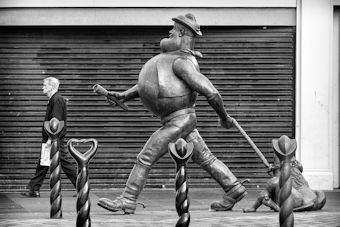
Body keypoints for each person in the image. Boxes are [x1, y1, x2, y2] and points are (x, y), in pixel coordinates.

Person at [97, 13, 247, 214]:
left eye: (174, 29)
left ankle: (127, 199)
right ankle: (233, 188)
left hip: (180, 119)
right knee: (205, 158)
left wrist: (224, 117)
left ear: (182, 32)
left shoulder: (182, 62)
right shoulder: (172, 59)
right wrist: (124, 96)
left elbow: (211, 92)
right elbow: (150, 83)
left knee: (145, 157)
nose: (169, 32)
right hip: (177, 119)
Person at [21, 77, 77, 197]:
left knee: (64, 163)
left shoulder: (56, 99)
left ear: (51, 87)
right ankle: (34, 189)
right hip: (52, 138)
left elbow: (55, 122)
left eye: (44, 85)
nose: (42, 87)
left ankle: (82, 186)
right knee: (43, 162)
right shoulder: (54, 99)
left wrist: (51, 139)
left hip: (54, 138)